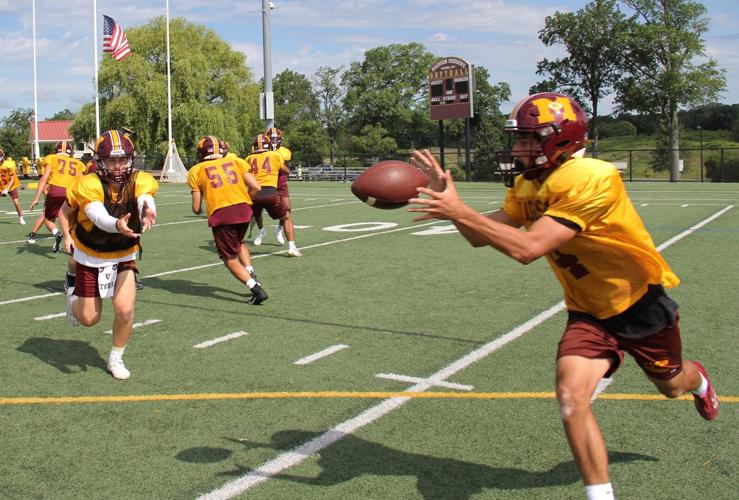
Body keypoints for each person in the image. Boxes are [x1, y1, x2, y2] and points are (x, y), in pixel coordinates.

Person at [408, 92, 719, 500]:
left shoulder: (591, 176)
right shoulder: (527, 184)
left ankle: (699, 381)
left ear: (559, 139)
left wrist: (458, 212)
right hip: (587, 311)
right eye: (518, 139)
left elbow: (528, 248)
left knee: (672, 385)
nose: (517, 149)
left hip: (637, 303)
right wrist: (452, 201)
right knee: (571, 397)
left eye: (527, 140)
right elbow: (478, 238)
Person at [58, 130, 158, 380]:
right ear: (100, 162)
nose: (117, 165)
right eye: (112, 160)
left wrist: (148, 209)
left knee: (124, 310)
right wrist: (115, 225)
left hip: (124, 253)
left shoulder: (140, 180)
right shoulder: (88, 183)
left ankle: (116, 358)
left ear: (131, 159)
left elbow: (144, 198)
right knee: (89, 319)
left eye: (122, 159)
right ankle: (72, 287)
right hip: (91, 252)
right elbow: (96, 215)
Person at [187, 135, 268, 305]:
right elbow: (256, 187)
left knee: (229, 257)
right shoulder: (236, 161)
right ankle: (249, 271)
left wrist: (201, 197)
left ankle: (255, 288)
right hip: (244, 209)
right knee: (239, 242)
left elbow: (196, 209)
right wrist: (244, 199)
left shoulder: (196, 170)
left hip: (222, 213)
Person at [245, 133, 302, 257]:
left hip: (253, 194)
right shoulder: (275, 155)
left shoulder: (249, 158)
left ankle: (237, 247)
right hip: (269, 192)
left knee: (246, 220)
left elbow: (245, 175)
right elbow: (286, 171)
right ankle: (292, 247)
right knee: (286, 217)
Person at [28, 141, 86, 251]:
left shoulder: (52, 158)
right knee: (70, 221)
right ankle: (74, 245)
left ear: (57, 150)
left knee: (48, 220)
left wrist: (36, 198)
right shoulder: (78, 163)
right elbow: (82, 182)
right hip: (71, 193)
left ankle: (57, 234)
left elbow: (44, 179)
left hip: (55, 191)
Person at [251, 127, 292, 246]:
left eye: (276, 138)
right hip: (265, 182)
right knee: (257, 210)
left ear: (280, 139)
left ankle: (279, 229)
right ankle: (261, 231)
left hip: (279, 181)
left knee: (287, 208)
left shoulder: (284, 152)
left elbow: (285, 170)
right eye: (271, 139)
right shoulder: (259, 151)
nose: (274, 141)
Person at [0, 149, 26, 225]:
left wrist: (7, 189)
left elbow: (12, 178)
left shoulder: (9, 165)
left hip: (11, 186)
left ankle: (21, 218)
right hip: (1, 186)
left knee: (16, 203)